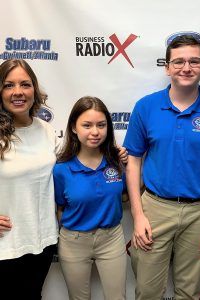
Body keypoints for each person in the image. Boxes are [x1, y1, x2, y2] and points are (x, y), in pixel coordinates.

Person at [124, 34, 200, 299]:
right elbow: (133, 162)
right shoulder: (146, 106)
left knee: (189, 291)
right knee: (148, 290)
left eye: (194, 61)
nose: (187, 68)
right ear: (167, 66)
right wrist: (138, 216)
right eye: (179, 62)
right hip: (155, 209)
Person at [53, 96, 127, 300]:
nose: (95, 132)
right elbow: (60, 207)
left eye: (101, 125)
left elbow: (130, 194)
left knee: (117, 297)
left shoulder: (117, 161)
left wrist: (130, 164)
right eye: (87, 125)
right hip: (74, 241)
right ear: (74, 128)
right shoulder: (61, 169)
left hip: (111, 238)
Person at [0, 59, 58, 299]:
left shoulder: (46, 129)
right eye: (8, 85)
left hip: (42, 241)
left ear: (34, 89)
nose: (18, 92)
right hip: (5, 245)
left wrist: (116, 155)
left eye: (25, 84)